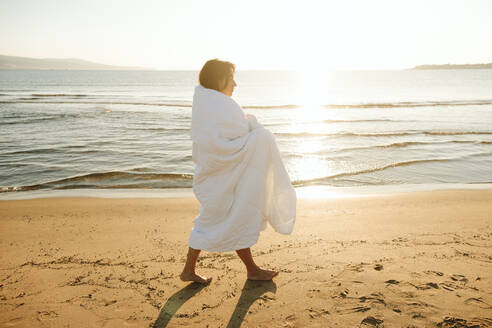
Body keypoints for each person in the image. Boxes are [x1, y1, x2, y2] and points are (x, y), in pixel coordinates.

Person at [180, 59, 296, 284]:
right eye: (231, 78)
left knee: (227, 216)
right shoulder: (223, 104)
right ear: (220, 79)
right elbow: (240, 134)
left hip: (213, 174)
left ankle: (247, 269)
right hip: (221, 175)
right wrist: (256, 128)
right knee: (224, 217)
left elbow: (217, 138)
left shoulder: (204, 102)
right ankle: (243, 270)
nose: (235, 83)